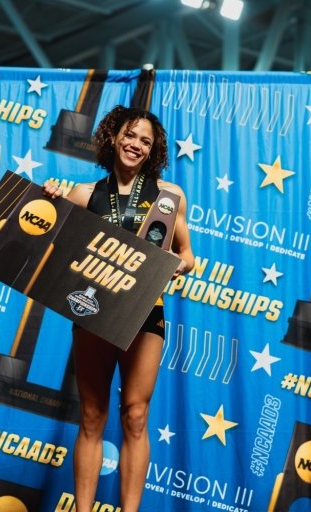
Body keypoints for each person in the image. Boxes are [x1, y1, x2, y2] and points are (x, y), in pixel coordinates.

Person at [44, 105, 194, 511]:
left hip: (145, 311)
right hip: (91, 309)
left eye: (145, 141)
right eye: (130, 136)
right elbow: (48, 238)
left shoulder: (169, 196)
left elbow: (188, 253)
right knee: (92, 416)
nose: (136, 145)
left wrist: (181, 264)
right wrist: (50, 202)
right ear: (113, 137)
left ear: (153, 150)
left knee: (136, 415)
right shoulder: (84, 194)